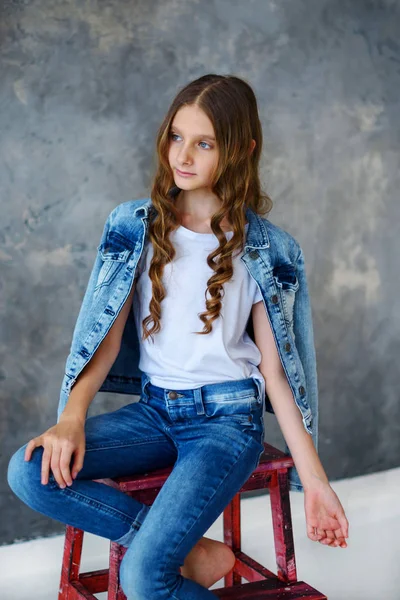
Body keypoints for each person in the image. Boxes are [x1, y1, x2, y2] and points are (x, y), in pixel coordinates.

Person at [7, 74, 349, 599]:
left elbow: (277, 374)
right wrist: (71, 417)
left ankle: (165, 558)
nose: (183, 155)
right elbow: (103, 343)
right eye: (176, 136)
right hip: (154, 412)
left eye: (204, 143)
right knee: (30, 471)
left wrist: (317, 481)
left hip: (225, 424)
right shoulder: (134, 226)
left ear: (241, 149)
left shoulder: (265, 249)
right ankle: (195, 554)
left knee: (143, 579)